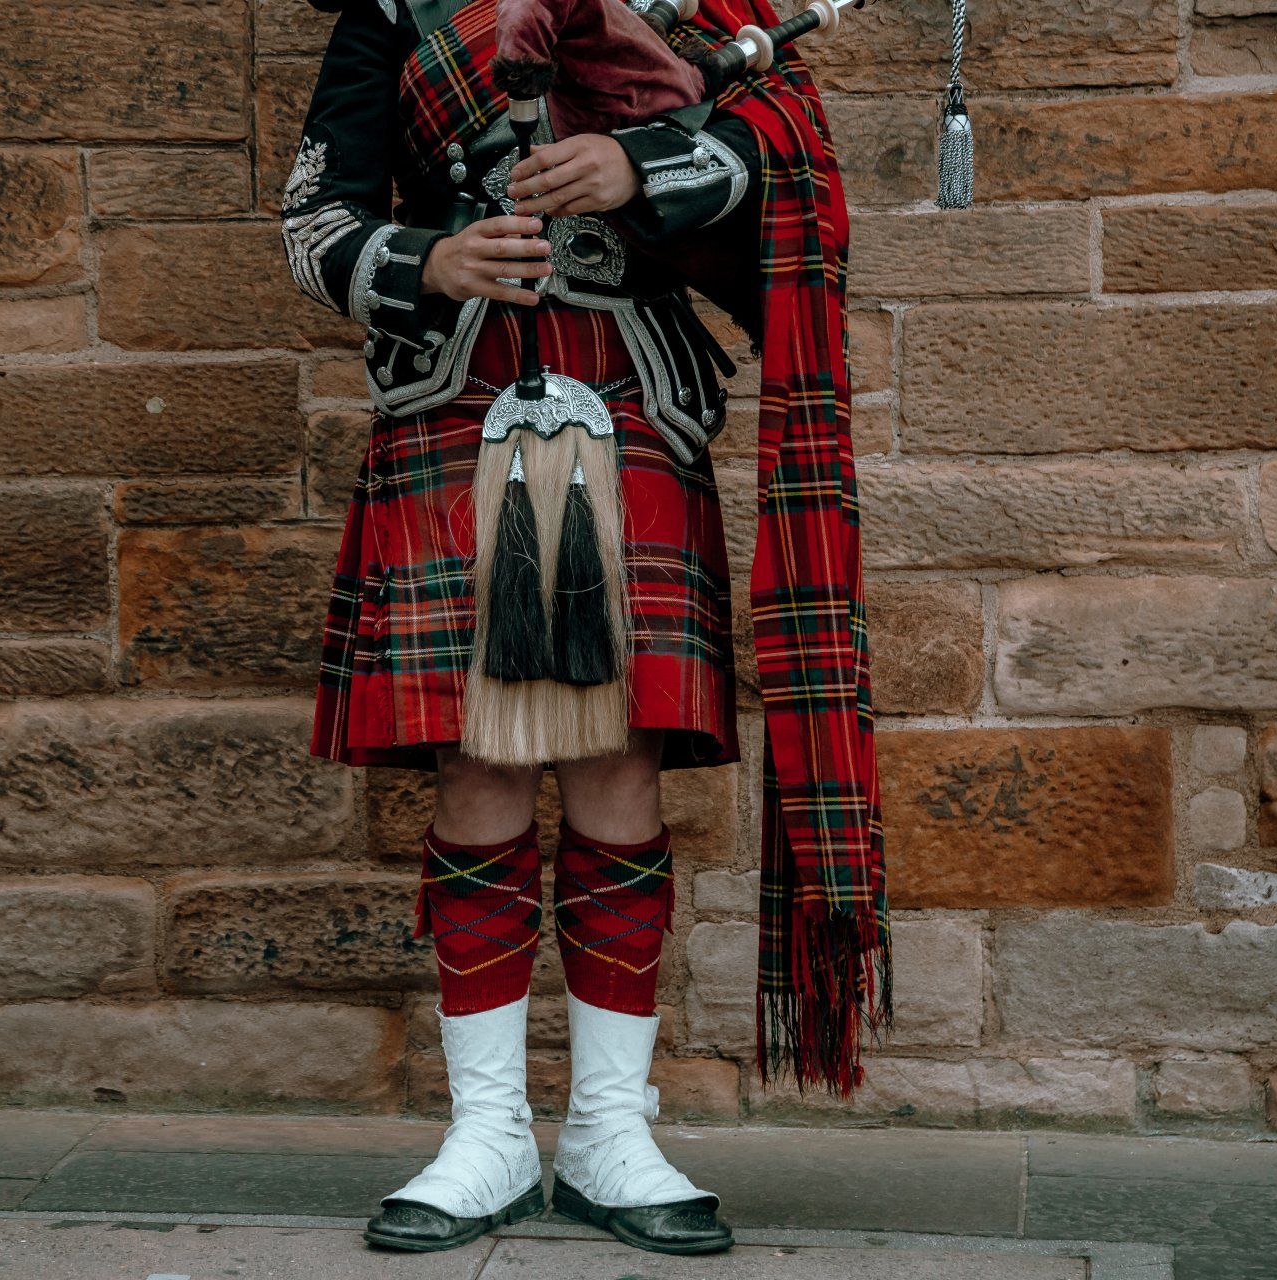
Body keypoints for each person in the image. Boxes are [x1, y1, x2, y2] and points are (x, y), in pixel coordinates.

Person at [279, 0, 891, 1257]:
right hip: (454, 402)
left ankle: (613, 1129)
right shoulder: (395, 13)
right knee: (479, 760)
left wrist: (636, 164)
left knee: (619, 756)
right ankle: (488, 1132)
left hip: (633, 401)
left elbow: (783, 157)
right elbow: (312, 221)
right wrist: (427, 261)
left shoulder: (695, 10)